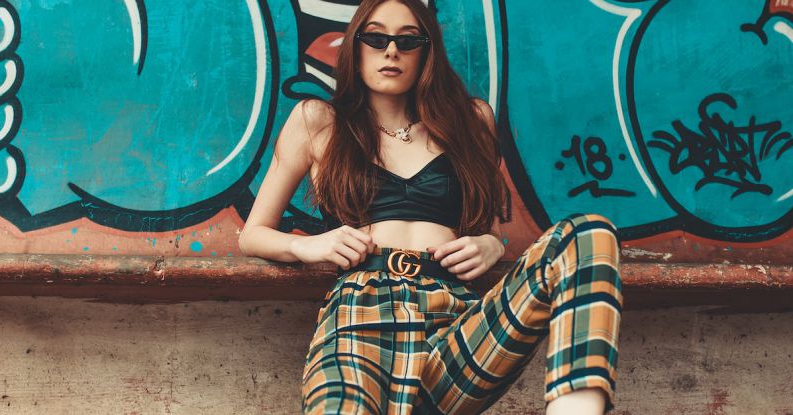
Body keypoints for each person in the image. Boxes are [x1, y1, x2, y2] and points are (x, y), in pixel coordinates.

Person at [238, 0, 623, 413]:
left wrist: (493, 244)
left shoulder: (471, 122)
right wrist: (307, 246)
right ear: (355, 46)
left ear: (427, 51)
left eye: (408, 40)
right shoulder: (318, 122)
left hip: (454, 324)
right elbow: (253, 234)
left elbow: (487, 227)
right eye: (376, 37)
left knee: (589, 234)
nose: (391, 51)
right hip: (359, 318)